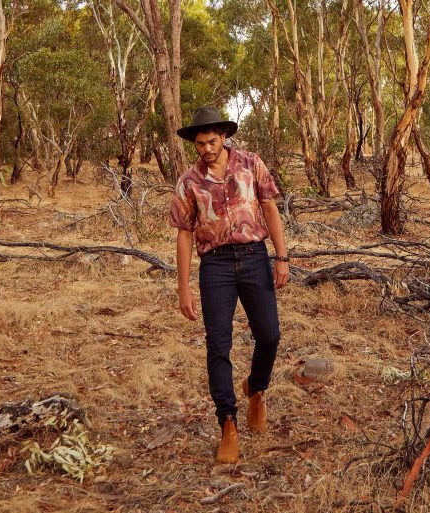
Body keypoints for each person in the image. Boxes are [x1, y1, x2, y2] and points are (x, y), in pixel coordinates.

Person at [169, 106, 290, 464]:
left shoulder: (252, 164)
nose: (206, 148)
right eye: (200, 143)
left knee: (270, 335)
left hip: (254, 256)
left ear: (224, 137)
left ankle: (256, 388)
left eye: (211, 141)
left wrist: (281, 257)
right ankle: (228, 423)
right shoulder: (189, 182)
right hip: (215, 266)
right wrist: (184, 287)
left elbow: (269, 208)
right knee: (218, 345)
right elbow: (184, 235)